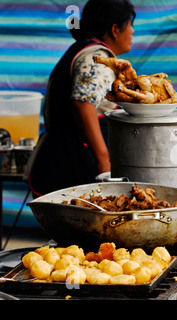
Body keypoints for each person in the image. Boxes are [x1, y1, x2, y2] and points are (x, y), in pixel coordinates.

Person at [27, 0, 135, 197]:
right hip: (74, 165)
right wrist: (103, 160)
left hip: (60, 160)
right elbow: (83, 104)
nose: (133, 31)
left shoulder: (81, 49)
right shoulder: (97, 58)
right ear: (115, 29)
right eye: (130, 25)